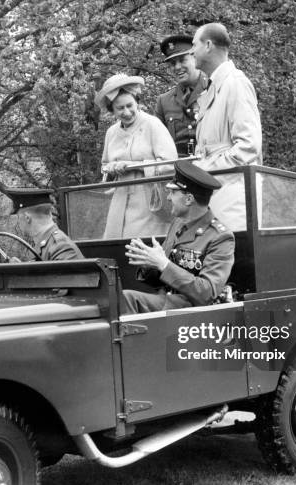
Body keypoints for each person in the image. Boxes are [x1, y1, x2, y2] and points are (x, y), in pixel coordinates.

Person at [122, 160, 235, 314]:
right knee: (119, 298)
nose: (168, 198)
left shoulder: (220, 237)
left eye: (172, 192)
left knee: (127, 298)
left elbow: (207, 293)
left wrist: (163, 264)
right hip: (168, 303)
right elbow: (163, 274)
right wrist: (149, 263)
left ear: (188, 199)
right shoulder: (178, 223)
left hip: (192, 311)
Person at [95, 73, 178, 239]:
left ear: (137, 102)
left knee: (143, 245)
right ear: (112, 110)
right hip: (120, 200)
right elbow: (105, 167)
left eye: (130, 105)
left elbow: (171, 164)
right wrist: (111, 168)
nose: (126, 112)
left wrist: (134, 165)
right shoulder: (111, 132)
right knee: (117, 245)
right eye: (120, 108)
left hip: (149, 200)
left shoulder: (152, 124)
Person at [190, 23, 262, 171]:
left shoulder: (236, 83)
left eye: (194, 45)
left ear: (208, 45)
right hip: (219, 188)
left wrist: (204, 169)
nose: (191, 52)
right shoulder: (214, 87)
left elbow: (248, 146)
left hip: (235, 189)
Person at [155, 35, 209, 157]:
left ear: (195, 58)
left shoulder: (214, 90)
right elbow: (158, 143)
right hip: (177, 170)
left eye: (183, 60)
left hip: (210, 167)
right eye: (173, 63)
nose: (177, 67)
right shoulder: (164, 101)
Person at [6, 189, 83, 261]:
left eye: (18, 217)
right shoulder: (48, 244)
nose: (18, 222)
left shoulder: (61, 248)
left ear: (27, 218)